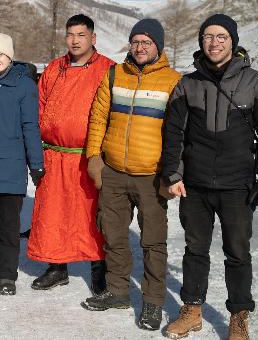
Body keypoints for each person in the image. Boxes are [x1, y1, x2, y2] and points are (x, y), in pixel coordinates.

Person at [162, 14, 258, 340]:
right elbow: (172, 133)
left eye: (221, 37)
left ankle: (238, 316)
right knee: (195, 249)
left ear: (233, 41)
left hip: (237, 186)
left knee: (238, 253)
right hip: (196, 185)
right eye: (208, 37)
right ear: (201, 41)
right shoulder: (187, 84)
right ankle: (192, 310)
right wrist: (173, 171)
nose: (214, 43)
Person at [79, 19, 180, 331]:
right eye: (135, 41)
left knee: (153, 242)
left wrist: (171, 173)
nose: (139, 48)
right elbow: (98, 118)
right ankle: (118, 290)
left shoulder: (173, 81)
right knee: (114, 236)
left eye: (146, 42)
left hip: (151, 177)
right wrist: (94, 158)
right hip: (113, 173)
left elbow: (179, 133)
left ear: (158, 46)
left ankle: (152, 302)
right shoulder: (114, 74)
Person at [27, 13, 115, 293]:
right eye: (70, 35)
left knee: (92, 215)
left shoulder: (108, 69)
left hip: (89, 156)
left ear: (93, 38)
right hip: (54, 154)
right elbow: (38, 106)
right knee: (53, 215)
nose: (75, 41)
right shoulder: (54, 69)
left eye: (81, 35)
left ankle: (99, 271)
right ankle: (56, 268)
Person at [0, 33, 45, 296]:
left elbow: (30, 127)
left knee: (9, 226)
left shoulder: (25, 86)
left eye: (0, 54)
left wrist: (35, 163)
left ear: (10, 56)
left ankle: (7, 275)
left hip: (12, 166)